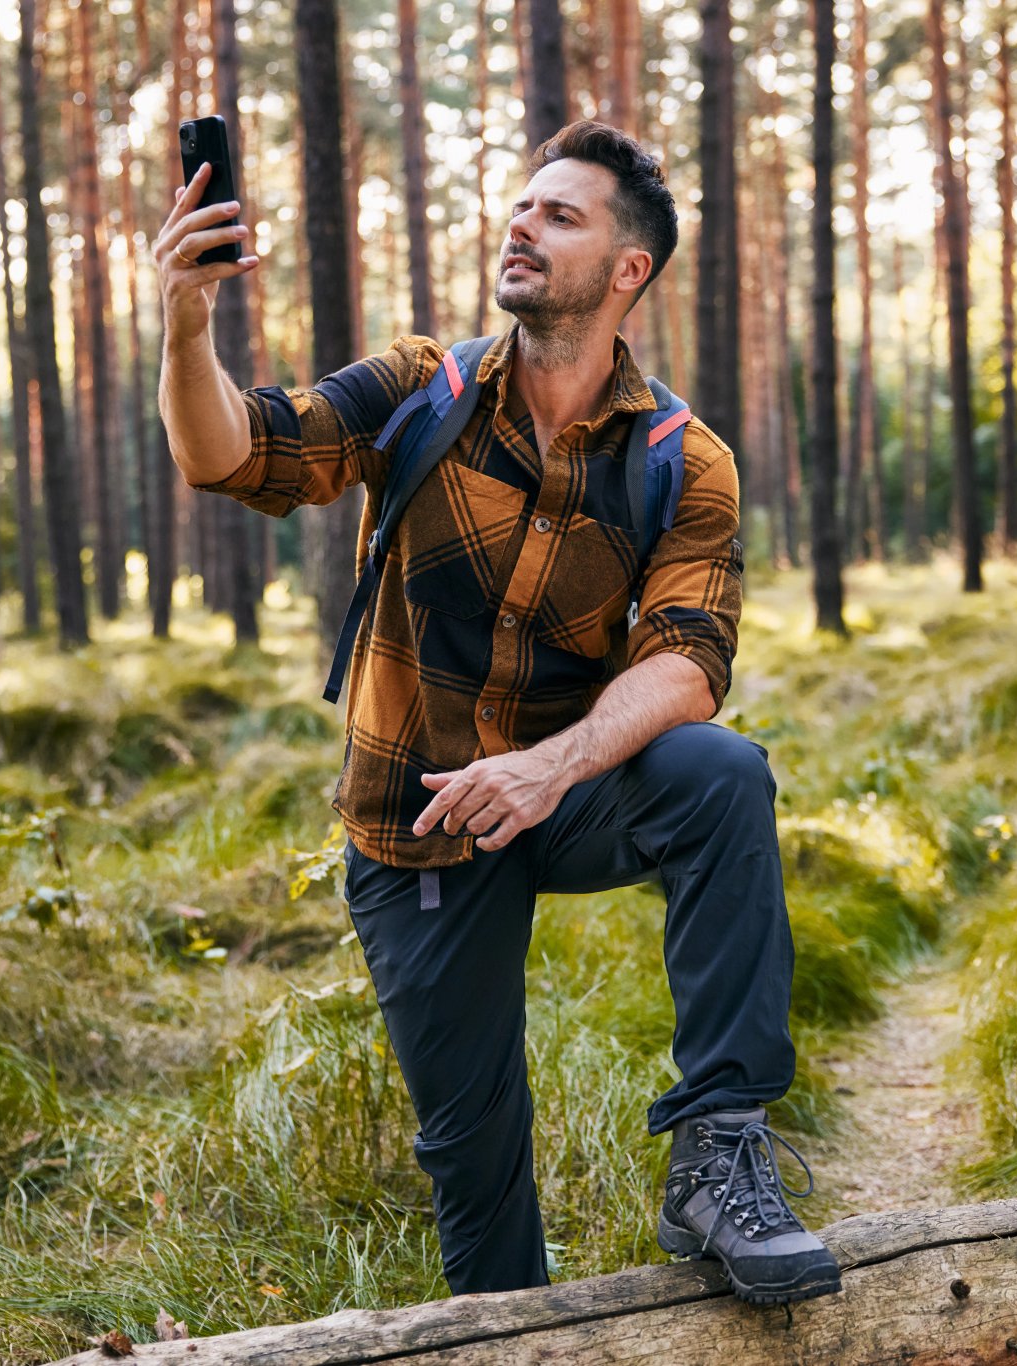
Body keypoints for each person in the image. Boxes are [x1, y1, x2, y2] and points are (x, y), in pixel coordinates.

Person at [152, 119, 839, 1308]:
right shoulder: (425, 388)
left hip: (563, 801)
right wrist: (182, 321)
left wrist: (550, 770)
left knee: (722, 775)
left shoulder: (684, 457)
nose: (521, 225)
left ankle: (720, 1155)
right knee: (474, 1164)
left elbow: (687, 664)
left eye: (560, 215)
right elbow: (235, 455)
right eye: (521, 207)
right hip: (416, 827)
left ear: (629, 270)